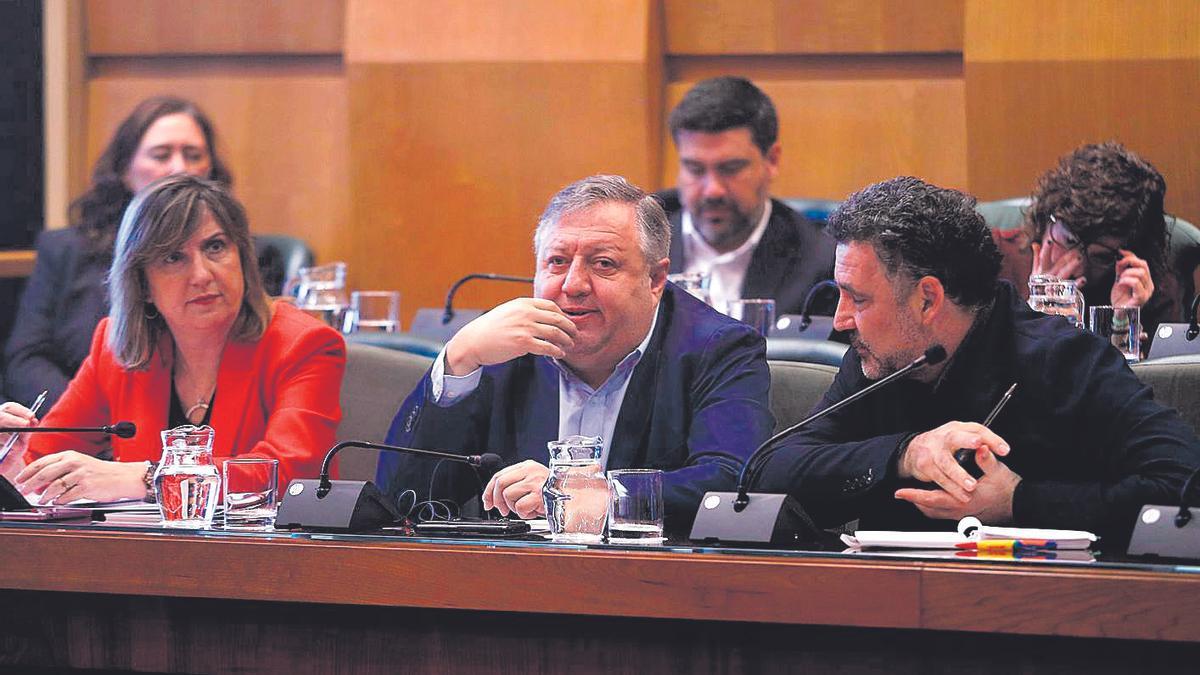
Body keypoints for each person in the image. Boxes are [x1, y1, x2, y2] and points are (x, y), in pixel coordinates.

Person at [757, 176, 1200, 547]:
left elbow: (1183, 485)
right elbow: (766, 473)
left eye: (858, 298)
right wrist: (904, 454)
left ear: (928, 298)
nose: (840, 319)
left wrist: (1019, 501)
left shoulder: (1064, 359)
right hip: (891, 615)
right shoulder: (876, 361)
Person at [377, 175, 774, 532]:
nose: (573, 284)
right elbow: (402, 501)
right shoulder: (502, 347)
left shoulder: (718, 348)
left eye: (603, 264)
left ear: (655, 279)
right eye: (557, 262)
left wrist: (585, 496)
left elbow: (730, 482)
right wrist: (457, 360)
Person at [0, 175, 345, 504]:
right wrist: (10, 454)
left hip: (268, 558)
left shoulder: (304, 345)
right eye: (173, 257)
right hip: (144, 559)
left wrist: (148, 477)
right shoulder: (115, 347)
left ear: (243, 257)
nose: (201, 274)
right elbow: (41, 462)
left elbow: (291, 474)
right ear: (142, 283)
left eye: (215, 247)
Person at [4, 96, 233, 410]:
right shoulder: (65, 250)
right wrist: (87, 417)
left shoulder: (241, 257)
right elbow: (27, 358)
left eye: (193, 155)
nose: (180, 168)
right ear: (126, 170)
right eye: (161, 155)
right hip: (85, 423)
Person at [656, 76, 835, 316]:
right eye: (695, 169)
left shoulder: (819, 262)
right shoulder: (640, 238)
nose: (712, 190)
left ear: (771, 160)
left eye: (731, 168)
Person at [993, 141, 1182, 338]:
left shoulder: (1147, 287)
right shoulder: (996, 259)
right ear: (1047, 216)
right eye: (1068, 241)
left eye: (1101, 257)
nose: (1078, 268)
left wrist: (1124, 323)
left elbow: (1164, 366)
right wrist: (1032, 314)